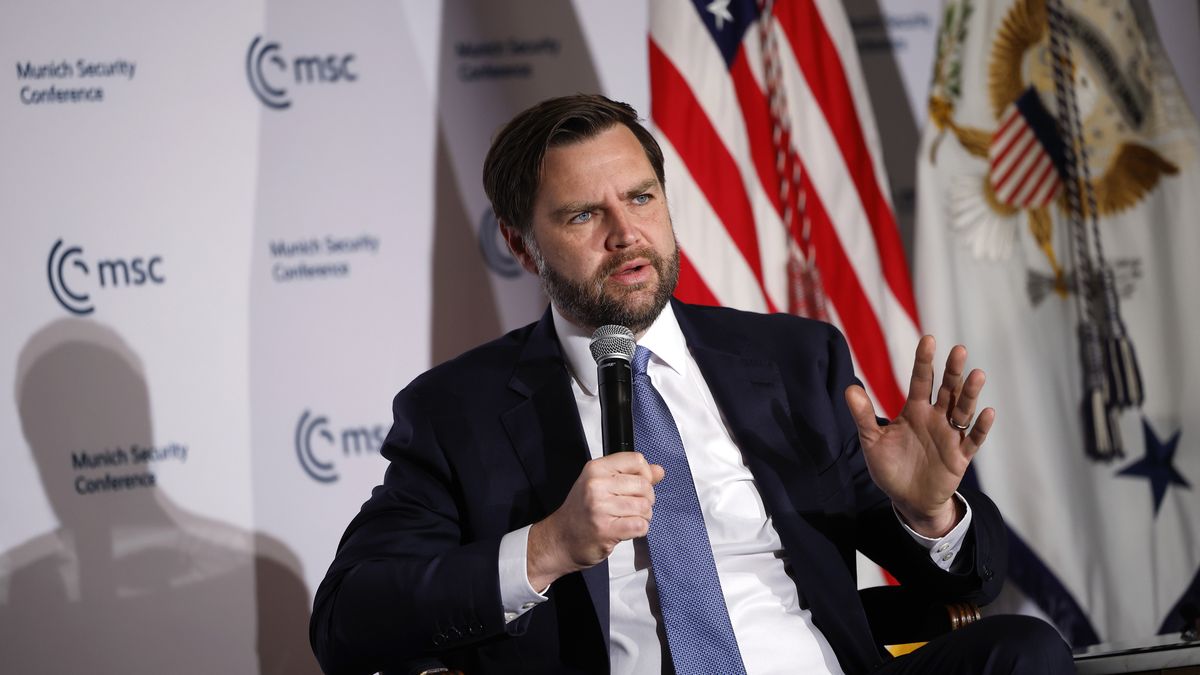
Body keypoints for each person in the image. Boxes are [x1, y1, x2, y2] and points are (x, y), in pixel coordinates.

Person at [310, 94, 1071, 675]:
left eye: (641, 198)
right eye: (582, 215)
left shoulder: (792, 361)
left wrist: (930, 510)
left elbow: (980, 576)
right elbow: (347, 619)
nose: (625, 234)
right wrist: (548, 545)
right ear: (519, 242)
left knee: (1024, 650)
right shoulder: (459, 411)